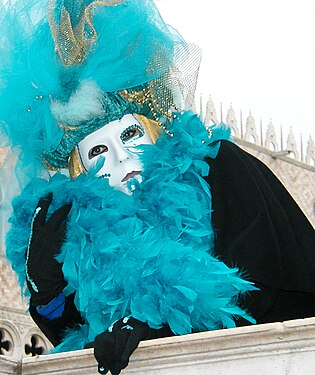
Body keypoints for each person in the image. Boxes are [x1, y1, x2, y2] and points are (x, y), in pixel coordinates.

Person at [0, 1, 314, 374]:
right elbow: (81, 334)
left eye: (130, 134)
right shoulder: (93, 231)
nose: (120, 159)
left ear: (154, 130)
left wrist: (160, 319)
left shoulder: (218, 167)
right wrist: (49, 291)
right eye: (98, 151)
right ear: (81, 171)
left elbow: (259, 283)